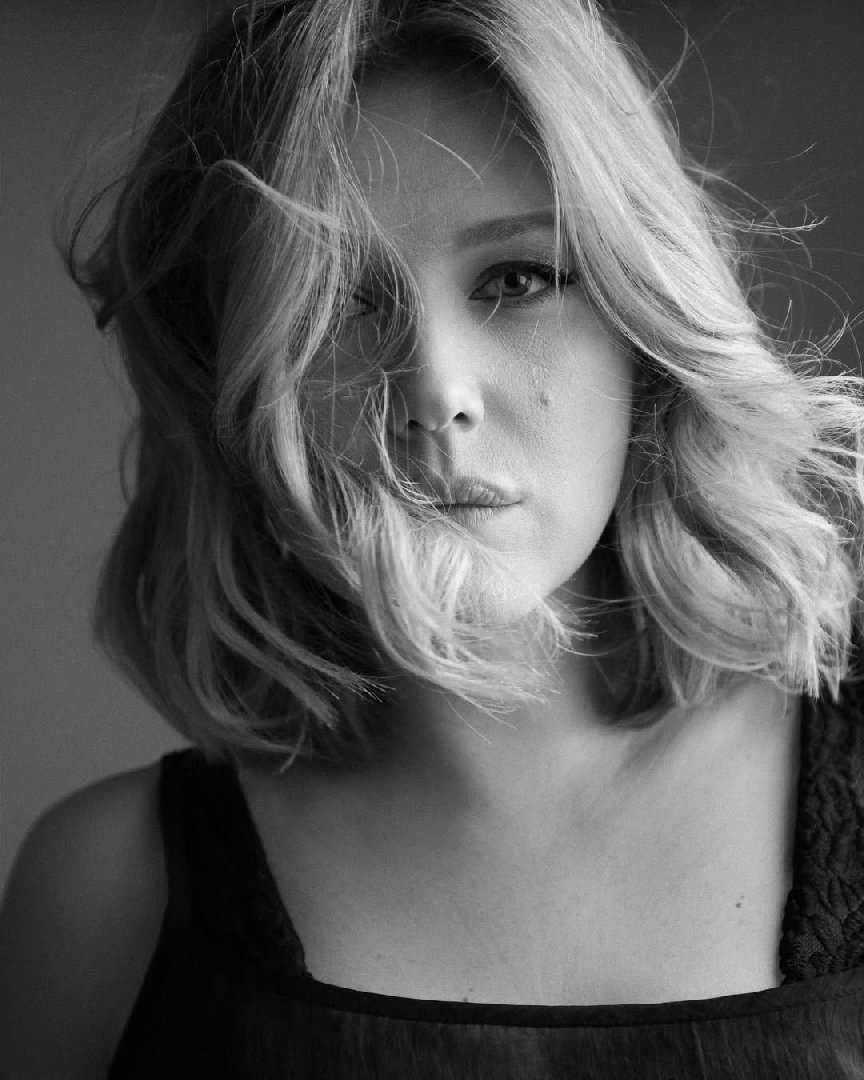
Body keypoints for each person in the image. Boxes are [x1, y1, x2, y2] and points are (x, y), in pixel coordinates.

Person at [2, 0, 863, 1076]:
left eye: (517, 280)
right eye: (331, 300)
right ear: (227, 380)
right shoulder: (104, 898)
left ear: (646, 327)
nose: (435, 392)